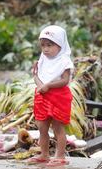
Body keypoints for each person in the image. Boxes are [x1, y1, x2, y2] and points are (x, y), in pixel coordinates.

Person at [28, 25, 73, 166]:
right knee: (42, 126)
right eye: (43, 45)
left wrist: (48, 86)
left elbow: (65, 80)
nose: (45, 49)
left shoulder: (64, 61)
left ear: (60, 45)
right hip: (42, 95)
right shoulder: (42, 59)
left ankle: (60, 156)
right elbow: (36, 75)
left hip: (58, 97)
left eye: (50, 45)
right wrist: (40, 84)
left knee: (58, 128)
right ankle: (44, 154)